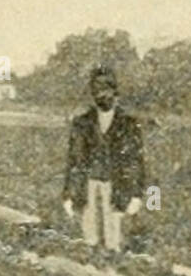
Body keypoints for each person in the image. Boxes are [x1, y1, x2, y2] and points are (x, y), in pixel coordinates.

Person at [61, 65, 146, 251]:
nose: (102, 95)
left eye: (106, 90)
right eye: (97, 91)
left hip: (116, 183)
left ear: (115, 93)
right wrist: (68, 195)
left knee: (114, 231)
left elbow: (136, 161)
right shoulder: (82, 123)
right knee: (89, 232)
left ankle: (113, 261)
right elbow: (74, 160)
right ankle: (93, 264)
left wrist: (137, 195)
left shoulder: (129, 125)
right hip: (88, 182)